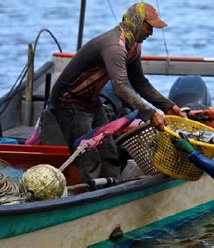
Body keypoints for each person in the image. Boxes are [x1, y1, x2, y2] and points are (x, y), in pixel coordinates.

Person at [49, 2, 182, 182]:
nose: (151, 33)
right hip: (69, 102)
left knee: (109, 153)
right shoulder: (115, 46)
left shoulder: (133, 46)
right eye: (149, 27)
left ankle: (113, 194)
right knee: (89, 158)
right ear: (136, 22)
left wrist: (168, 106)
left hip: (91, 101)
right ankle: (90, 202)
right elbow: (120, 88)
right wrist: (150, 113)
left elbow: (139, 82)